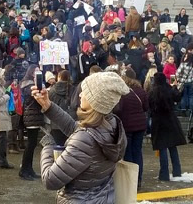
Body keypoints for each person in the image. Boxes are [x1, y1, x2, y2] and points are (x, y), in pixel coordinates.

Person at [31, 71, 128, 202]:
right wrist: (48, 106)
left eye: (85, 92)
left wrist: (48, 147)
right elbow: (74, 128)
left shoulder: (85, 139)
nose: (80, 95)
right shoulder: (112, 124)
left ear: (96, 101)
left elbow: (50, 180)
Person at [113, 70, 148, 188]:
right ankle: (138, 179)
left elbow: (118, 109)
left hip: (127, 126)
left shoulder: (122, 92)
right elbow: (146, 107)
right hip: (140, 125)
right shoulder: (141, 91)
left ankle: (130, 181)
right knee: (137, 152)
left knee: (128, 154)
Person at [148, 72, 186, 181]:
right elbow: (177, 98)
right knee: (172, 146)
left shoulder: (152, 92)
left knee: (162, 148)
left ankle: (164, 174)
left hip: (158, 122)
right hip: (170, 120)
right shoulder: (169, 89)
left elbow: (149, 106)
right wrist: (175, 87)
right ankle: (177, 171)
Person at [19, 65, 45, 181]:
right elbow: (36, 96)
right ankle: (24, 170)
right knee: (30, 144)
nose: (37, 72)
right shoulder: (28, 85)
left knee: (32, 144)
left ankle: (28, 169)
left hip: (33, 116)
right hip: (31, 116)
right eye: (35, 71)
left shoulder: (30, 84)